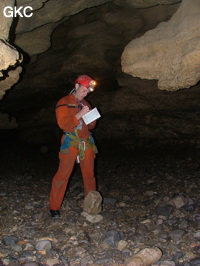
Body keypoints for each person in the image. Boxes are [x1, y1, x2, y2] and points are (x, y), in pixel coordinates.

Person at [49, 75, 98, 218]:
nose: (85, 94)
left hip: (86, 141)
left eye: (87, 92)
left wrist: (91, 118)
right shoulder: (63, 102)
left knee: (89, 175)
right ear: (76, 86)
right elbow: (63, 124)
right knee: (63, 174)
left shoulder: (85, 103)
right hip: (70, 141)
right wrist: (79, 115)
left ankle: (92, 206)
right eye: (83, 90)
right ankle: (54, 207)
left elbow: (91, 125)